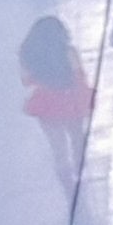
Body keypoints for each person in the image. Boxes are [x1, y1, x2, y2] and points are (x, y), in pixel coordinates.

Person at [14, 11, 93, 190]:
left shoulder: (27, 55)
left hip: (46, 105)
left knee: (57, 146)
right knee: (77, 138)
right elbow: (79, 76)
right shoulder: (68, 52)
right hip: (70, 101)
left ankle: (65, 181)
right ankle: (80, 174)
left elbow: (26, 81)